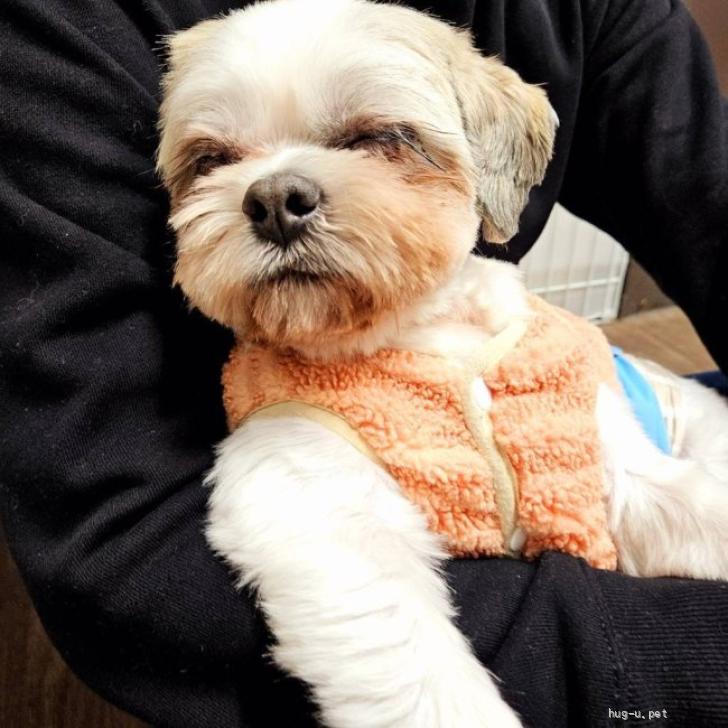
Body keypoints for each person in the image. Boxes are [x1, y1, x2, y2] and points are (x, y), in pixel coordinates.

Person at [1, 1, 727, 726]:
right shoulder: (301, 431)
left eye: (378, 141)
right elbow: (126, 561)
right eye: (215, 161)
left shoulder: (540, 353)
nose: (277, 198)